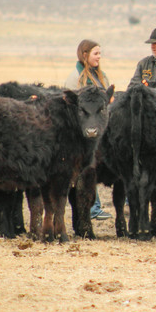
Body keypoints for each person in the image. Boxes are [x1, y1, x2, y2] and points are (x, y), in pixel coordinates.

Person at [65, 39, 112, 220]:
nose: (99, 57)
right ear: (85, 55)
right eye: (95, 53)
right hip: (84, 133)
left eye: (100, 53)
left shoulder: (101, 76)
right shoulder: (75, 78)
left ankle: (94, 207)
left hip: (98, 131)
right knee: (87, 168)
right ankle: (92, 209)